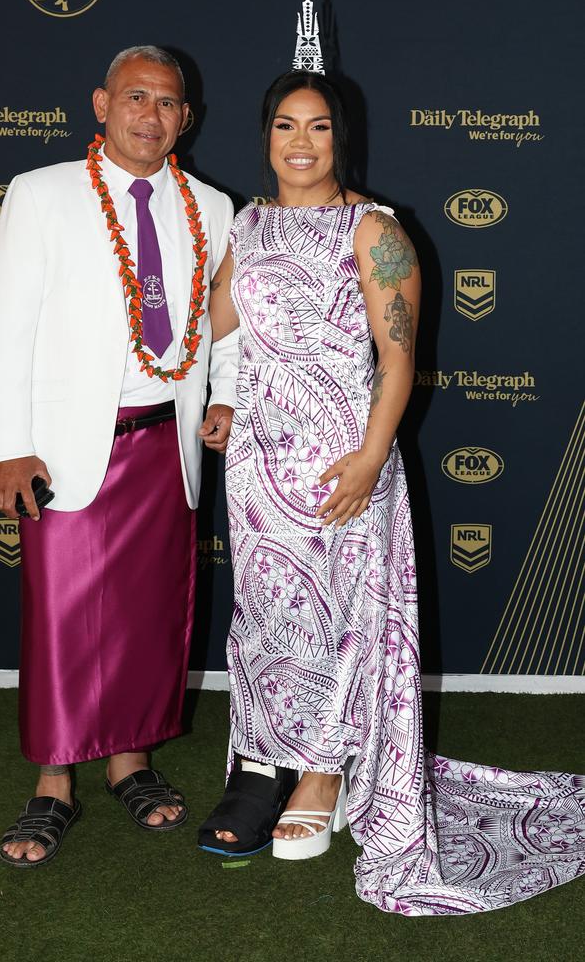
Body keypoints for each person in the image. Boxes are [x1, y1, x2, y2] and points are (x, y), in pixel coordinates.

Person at [198, 71, 585, 914]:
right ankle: (269, 760)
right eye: (286, 126)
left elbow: (399, 355)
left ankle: (327, 775)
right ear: (264, 135)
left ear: (344, 138)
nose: (302, 143)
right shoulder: (251, 226)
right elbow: (210, 324)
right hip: (259, 468)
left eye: (320, 128)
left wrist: (373, 456)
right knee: (269, 615)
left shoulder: (374, 231)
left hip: (344, 462)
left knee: (342, 619)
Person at [0, 45, 238, 867]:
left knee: (152, 617)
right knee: (62, 622)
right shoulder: (42, 194)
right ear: (101, 103)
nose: (149, 116)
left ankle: (132, 761)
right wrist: (8, 448)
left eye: (167, 103)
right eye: (134, 97)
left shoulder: (213, 206)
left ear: (185, 118)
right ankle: (54, 783)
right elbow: (5, 329)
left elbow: (221, 323)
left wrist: (225, 392)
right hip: (66, 451)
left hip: (166, 444)